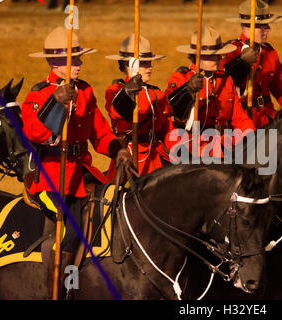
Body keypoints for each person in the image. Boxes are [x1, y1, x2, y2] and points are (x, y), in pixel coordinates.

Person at [21, 26, 132, 297]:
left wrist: (117, 148)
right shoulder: (37, 95)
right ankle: (61, 290)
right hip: (51, 177)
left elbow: (100, 132)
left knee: (116, 206)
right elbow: (34, 134)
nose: (80, 64)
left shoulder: (85, 92)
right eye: (75, 59)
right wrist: (55, 103)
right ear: (56, 62)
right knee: (71, 231)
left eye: (80, 58)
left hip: (83, 172)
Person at [164, 25, 255, 158]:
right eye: (213, 56)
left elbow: (239, 117)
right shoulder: (181, 78)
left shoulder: (225, 80)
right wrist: (188, 90)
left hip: (221, 143)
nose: (219, 59)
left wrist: (251, 135)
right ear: (198, 56)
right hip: (189, 145)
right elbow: (167, 109)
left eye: (219, 54)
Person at [104, 34, 176, 178]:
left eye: (149, 62)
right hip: (130, 157)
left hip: (156, 157)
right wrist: (128, 91)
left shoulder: (156, 93)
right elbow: (116, 112)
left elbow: (168, 130)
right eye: (143, 63)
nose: (149, 67)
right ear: (128, 65)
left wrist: (182, 151)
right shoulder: (116, 90)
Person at [222, 0, 282, 128]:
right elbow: (223, 87)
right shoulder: (230, 52)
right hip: (239, 123)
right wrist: (241, 63)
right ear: (249, 26)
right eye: (263, 26)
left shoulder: (270, 54)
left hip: (268, 120)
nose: (269, 29)